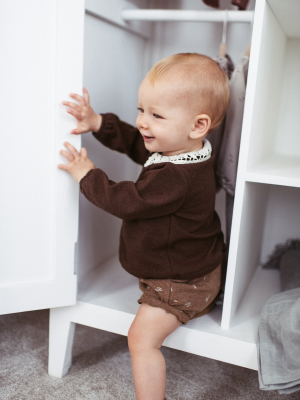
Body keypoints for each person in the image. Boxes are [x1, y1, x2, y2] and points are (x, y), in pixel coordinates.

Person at [58, 53, 229, 400]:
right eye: (141, 110)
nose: (142, 123)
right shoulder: (189, 149)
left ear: (197, 125)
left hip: (183, 283)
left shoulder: (176, 177)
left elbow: (127, 202)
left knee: (140, 339)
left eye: (156, 115)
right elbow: (139, 145)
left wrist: (86, 175)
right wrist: (97, 122)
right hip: (193, 263)